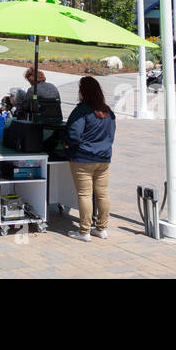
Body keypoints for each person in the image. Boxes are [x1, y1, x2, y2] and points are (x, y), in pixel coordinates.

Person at [62, 75, 115, 241]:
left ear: (82, 91)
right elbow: (111, 134)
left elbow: (74, 134)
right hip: (104, 158)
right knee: (102, 194)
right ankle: (101, 228)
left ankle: (84, 231)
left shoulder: (82, 110)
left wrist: (67, 143)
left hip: (83, 158)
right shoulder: (108, 111)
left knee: (85, 194)